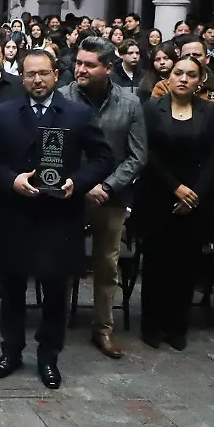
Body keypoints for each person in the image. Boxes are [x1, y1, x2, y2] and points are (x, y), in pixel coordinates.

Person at [0, 49, 114, 389]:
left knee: (55, 290)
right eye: (30, 74)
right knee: (11, 289)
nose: (37, 80)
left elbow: (103, 158)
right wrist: (12, 180)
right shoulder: (2, 113)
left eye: (43, 73)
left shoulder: (77, 113)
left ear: (56, 74)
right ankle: (11, 350)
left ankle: (48, 356)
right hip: (15, 215)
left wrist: (79, 181)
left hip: (59, 217)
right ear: (21, 77)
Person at [58, 37, 147, 359]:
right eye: (78, 63)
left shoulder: (129, 102)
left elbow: (136, 156)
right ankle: (57, 325)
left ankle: (103, 329)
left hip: (110, 197)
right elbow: (57, 150)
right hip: (70, 194)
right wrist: (80, 185)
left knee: (107, 265)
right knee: (64, 261)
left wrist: (106, 186)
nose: (80, 69)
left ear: (108, 67)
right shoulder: (64, 98)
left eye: (88, 64)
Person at [137, 56, 214, 350]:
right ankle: (151, 325)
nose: (183, 79)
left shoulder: (210, 113)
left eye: (190, 74)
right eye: (178, 73)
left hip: (196, 201)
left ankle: (177, 327)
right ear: (169, 78)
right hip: (158, 197)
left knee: (185, 266)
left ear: (200, 80)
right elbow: (146, 153)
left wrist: (194, 192)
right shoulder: (152, 109)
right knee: (155, 265)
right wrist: (176, 187)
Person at [151, 35, 214, 101]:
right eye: (187, 56)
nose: (191, 59)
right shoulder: (164, 87)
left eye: (196, 55)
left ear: (207, 59)